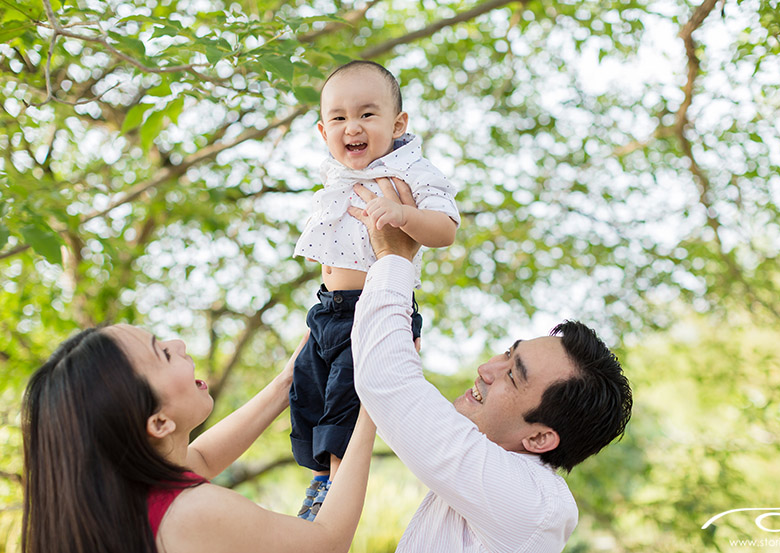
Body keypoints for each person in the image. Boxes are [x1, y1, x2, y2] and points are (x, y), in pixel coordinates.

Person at [348, 178, 634, 553]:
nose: (487, 368)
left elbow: (387, 382)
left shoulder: (533, 504)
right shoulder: (481, 486)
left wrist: (395, 259)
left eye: (513, 377)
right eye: (506, 355)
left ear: (539, 438)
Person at [21, 324, 376, 553]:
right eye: (162, 353)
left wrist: (289, 382)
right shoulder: (193, 512)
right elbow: (328, 542)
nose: (178, 343)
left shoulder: (119, 498)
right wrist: (371, 400)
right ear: (159, 422)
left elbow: (203, 458)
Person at [289, 60, 460, 519]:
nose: (353, 127)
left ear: (397, 123)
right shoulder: (337, 173)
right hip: (327, 309)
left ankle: (334, 490)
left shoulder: (410, 170)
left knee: (346, 394)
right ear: (323, 131)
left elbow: (445, 229)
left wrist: (403, 216)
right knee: (307, 390)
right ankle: (321, 476)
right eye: (339, 118)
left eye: (367, 114)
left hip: (376, 307)